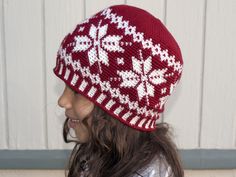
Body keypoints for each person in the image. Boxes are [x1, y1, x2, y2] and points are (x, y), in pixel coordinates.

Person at [54, 4, 184, 177]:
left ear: (120, 110)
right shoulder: (101, 152)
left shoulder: (147, 173)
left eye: (78, 92)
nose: (62, 100)